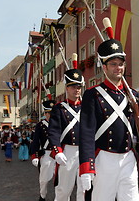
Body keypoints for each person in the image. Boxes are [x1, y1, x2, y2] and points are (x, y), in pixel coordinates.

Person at [79, 28, 139, 201]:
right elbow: (87, 133)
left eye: (120, 63)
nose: (118, 68)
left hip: (128, 157)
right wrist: (86, 167)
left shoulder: (133, 95)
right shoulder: (93, 94)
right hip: (104, 158)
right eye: (113, 64)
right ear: (104, 67)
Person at [49, 53, 85, 201]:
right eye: (73, 87)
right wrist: (57, 151)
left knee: (84, 189)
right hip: (67, 151)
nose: (76, 90)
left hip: (84, 150)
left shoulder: (87, 108)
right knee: (64, 189)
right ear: (66, 88)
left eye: (79, 87)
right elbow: (53, 132)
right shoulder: (59, 108)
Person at [30, 100, 56, 201]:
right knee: (44, 179)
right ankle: (42, 195)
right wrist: (34, 156)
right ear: (45, 113)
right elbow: (35, 141)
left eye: (51, 112)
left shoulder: (60, 124)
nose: (49, 115)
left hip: (59, 154)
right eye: (47, 113)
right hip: (47, 154)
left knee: (62, 179)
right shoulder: (40, 125)